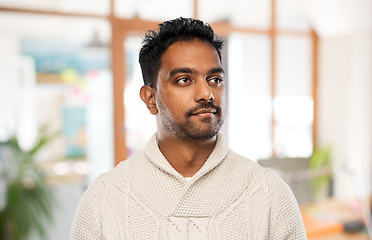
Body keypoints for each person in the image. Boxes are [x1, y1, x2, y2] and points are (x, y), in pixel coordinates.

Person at [70, 17, 307, 239]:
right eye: (184, 80)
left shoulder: (269, 193)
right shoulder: (103, 197)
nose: (206, 93)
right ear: (150, 98)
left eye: (215, 79)